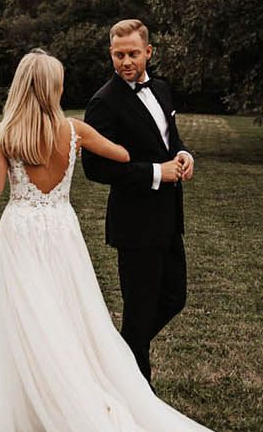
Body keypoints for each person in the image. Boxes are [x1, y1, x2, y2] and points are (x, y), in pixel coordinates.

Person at [0, 49, 263, 432]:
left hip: (22, 235)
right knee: (70, 318)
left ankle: (40, 420)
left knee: (29, 320)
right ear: (53, 88)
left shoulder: (6, 134)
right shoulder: (72, 130)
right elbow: (123, 155)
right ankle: (78, 403)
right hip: (62, 234)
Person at [80, 19, 192, 386]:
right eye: (118, 55)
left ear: (148, 51)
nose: (126, 61)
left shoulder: (161, 89)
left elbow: (169, 140)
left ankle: (119, 355)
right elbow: (95, 168)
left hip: (168, 218)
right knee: (140, 312)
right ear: (110, 54)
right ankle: (137, 392)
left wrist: (183, 154)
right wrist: (157, 174)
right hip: (135, 224)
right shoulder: (103, 103)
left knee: (174, 296)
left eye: (132, 53)